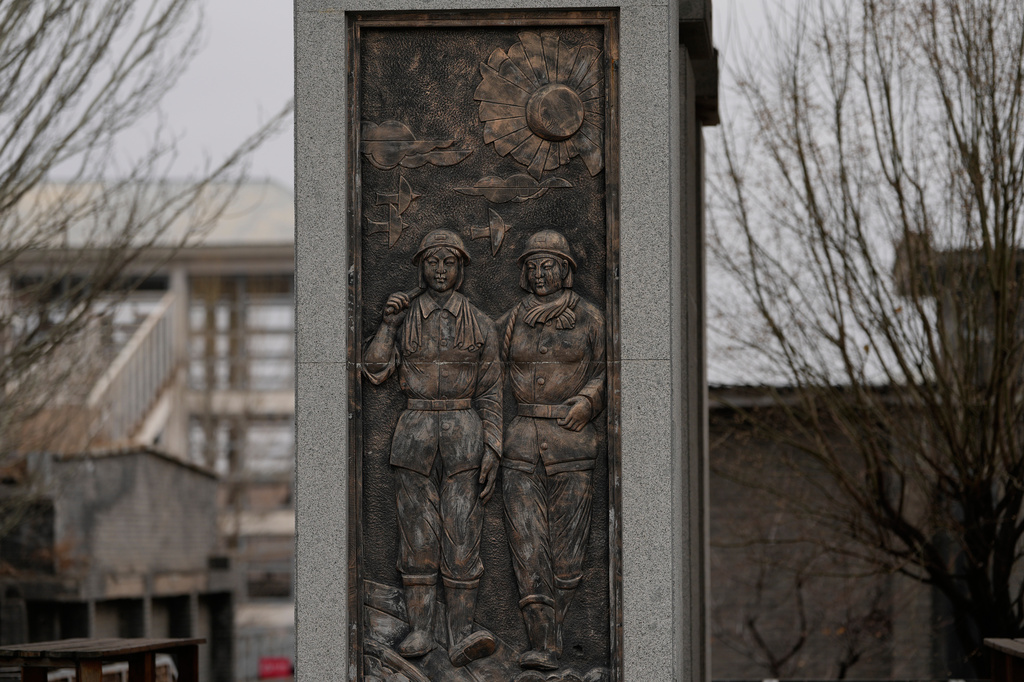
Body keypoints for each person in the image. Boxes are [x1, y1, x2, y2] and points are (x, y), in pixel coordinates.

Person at [364, 228, 501, 667]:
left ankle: (461, 631)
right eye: (432, 261)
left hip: (464, 432)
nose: (440, 270)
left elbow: (493, 390)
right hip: (416, 429)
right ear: (421, 267)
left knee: (463, 536)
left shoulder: (480, 322)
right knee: (417, 536)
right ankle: (421, 629)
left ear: (461, 268)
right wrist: (386, 324)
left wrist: (494, 447)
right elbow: (374, 370)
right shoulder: (402, 318)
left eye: (449, 262)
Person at [500, 229, 606, 671]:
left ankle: (558, 634)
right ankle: (542, 643)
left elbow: (613, 370)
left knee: (568, 555)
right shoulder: (509, 320)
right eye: (533, 266)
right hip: (521, 446)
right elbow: (487, 375)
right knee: (527, 548)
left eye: (549, 266)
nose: (540, 274)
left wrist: (589, 400)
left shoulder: (591, 318)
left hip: (572, 447)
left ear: (565, 270)